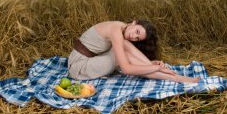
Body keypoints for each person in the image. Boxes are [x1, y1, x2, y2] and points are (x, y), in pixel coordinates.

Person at [68, 20, 200, 83]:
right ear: (133, 22)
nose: (133, 36)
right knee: (124, 51)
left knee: (124, 45)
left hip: (90, 60)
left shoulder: (121, 28)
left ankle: (163, 72)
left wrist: (149, 65)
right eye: (136, 31)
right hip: (78, 66)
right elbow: (126, 69)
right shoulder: (115, 30)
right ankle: (175, 77)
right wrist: (151, 67)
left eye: (137, 38)